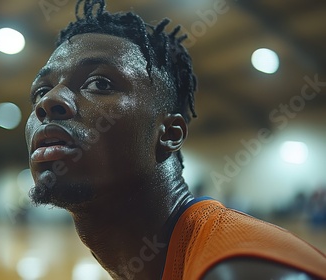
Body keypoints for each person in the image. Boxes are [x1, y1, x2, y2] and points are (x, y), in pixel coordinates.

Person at [24, 0, 326, 279]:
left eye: (99, 83)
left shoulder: (236, 267)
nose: (48, 101)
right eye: (40, 90)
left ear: (169, 134)